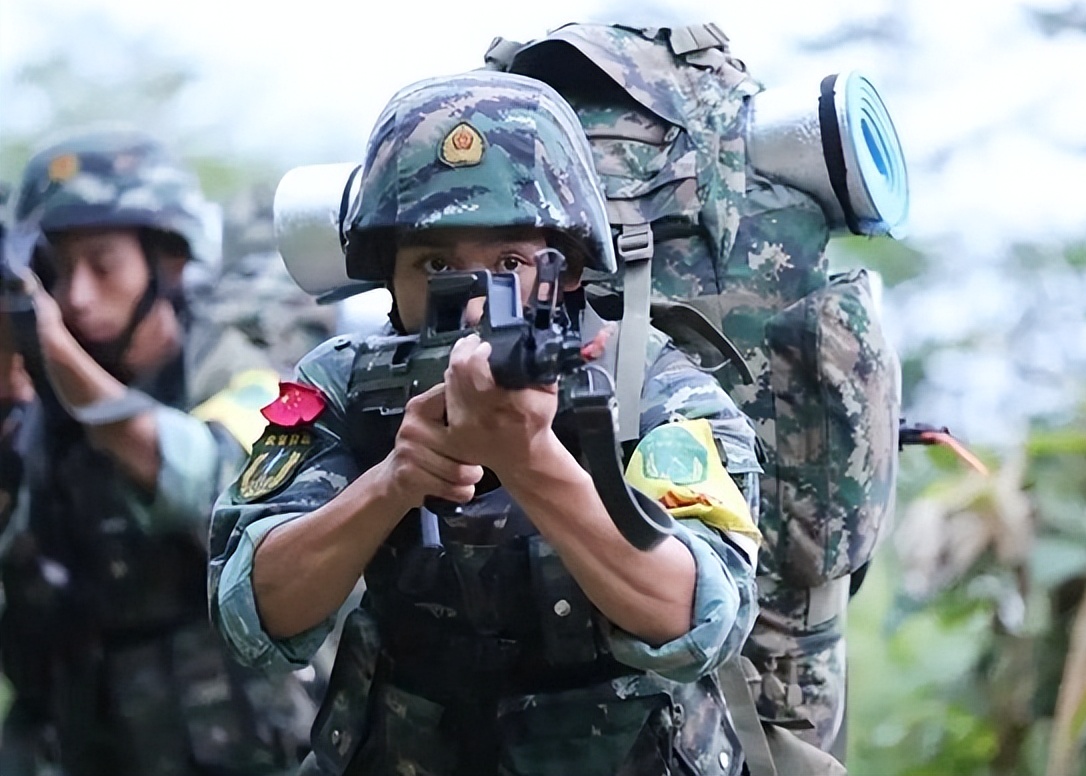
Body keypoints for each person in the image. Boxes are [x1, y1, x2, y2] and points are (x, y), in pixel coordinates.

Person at [208, 70, 763, 776]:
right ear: (388, 275)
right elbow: (253, 615)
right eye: (436, 263)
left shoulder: (649, 387)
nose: (474, 306)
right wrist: (394, 481)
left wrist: (531, 460)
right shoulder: (343, 384)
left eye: (509, 263)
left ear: (566, 270)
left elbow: (696, 620)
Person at [0, 127, 315, 776]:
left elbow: (221, 482)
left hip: (246, 744)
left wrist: (54, 349)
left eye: (102, 265)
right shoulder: (33, 395)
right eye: (57, 270)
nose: (76, 296)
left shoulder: (247, 363)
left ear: (168, 259)